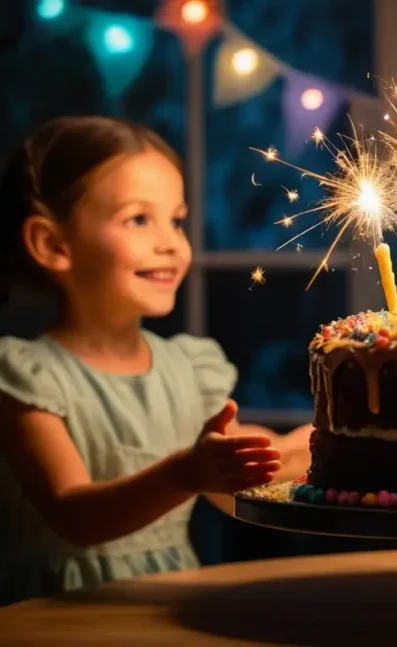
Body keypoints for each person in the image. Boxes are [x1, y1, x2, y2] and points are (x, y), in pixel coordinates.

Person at [0, 116, 312, 605]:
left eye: (177, 219)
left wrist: (330, 442)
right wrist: (186, 474)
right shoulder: (24, 376)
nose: (170, 242)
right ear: (52, 244)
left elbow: (237, 484)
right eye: (138, 219)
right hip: (55, 617)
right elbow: (73, 517)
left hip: (164, 607)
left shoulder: (188, 369)